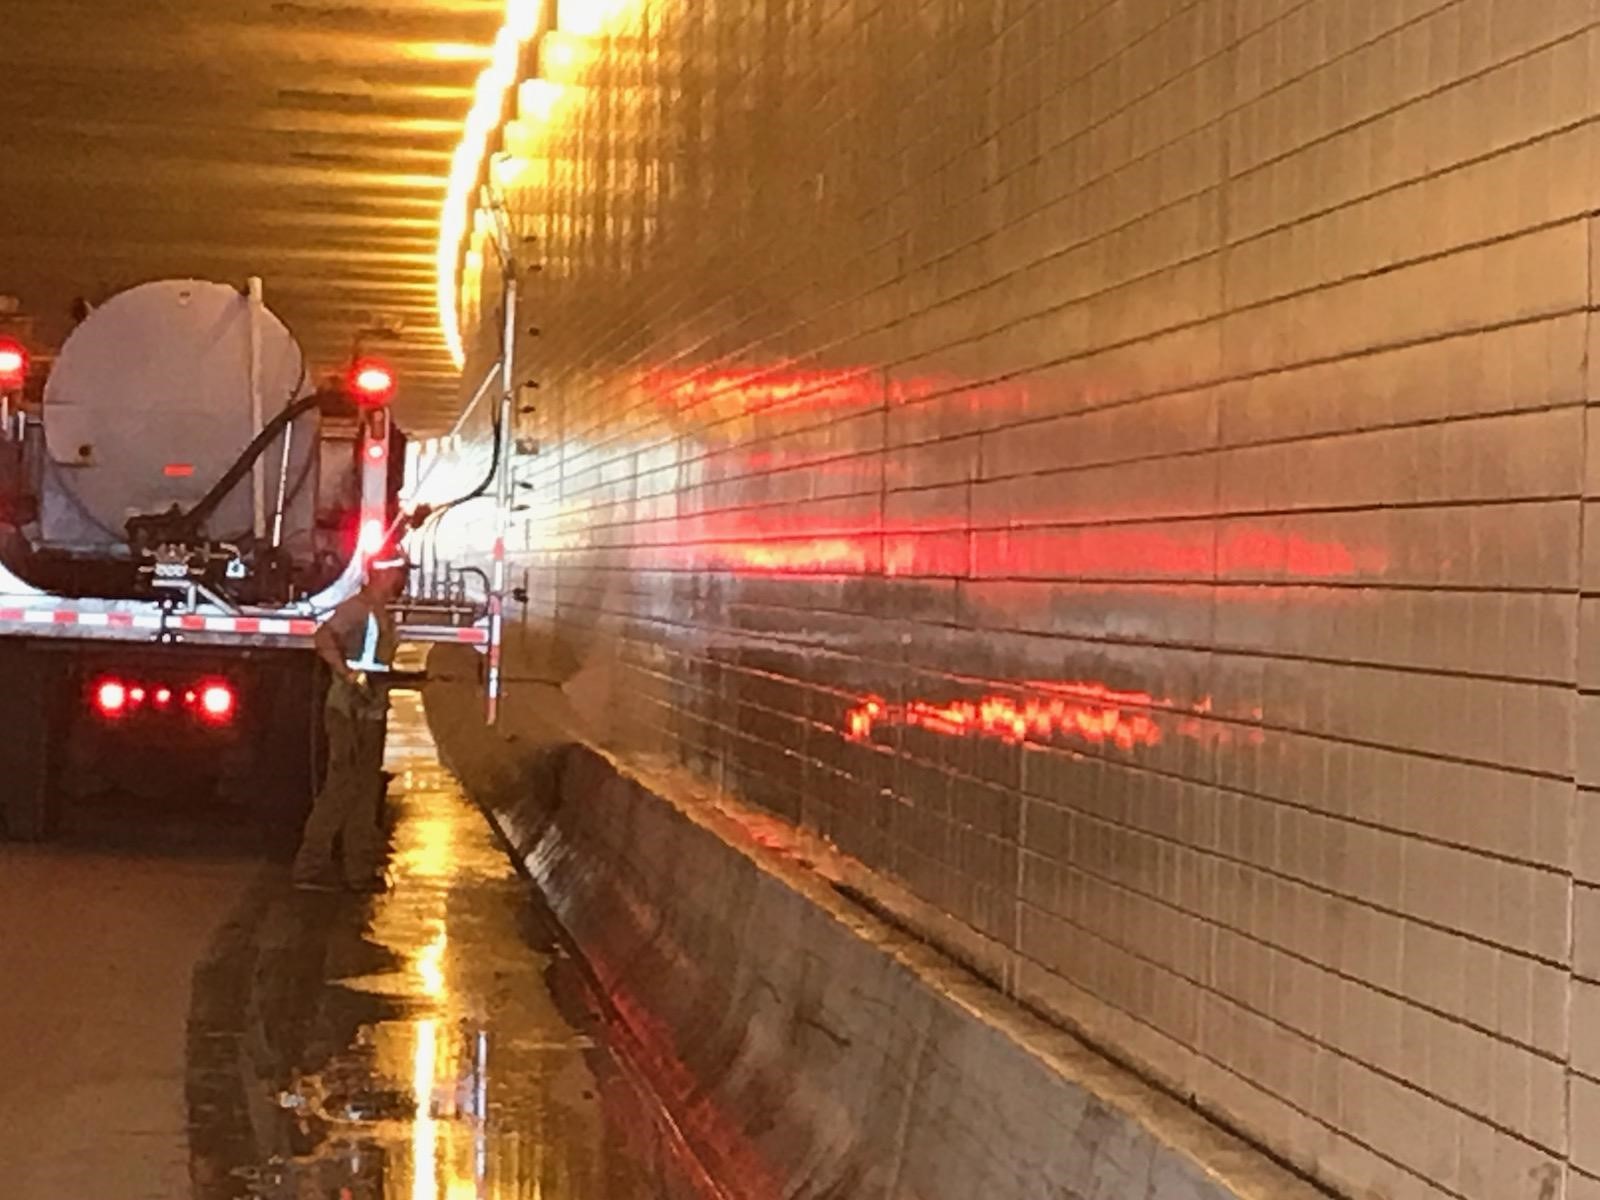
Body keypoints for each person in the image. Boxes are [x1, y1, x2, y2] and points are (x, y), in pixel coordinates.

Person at [290, 555, 408, 891]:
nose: (400, 579)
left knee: (365, 790)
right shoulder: (356, 608)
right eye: (397, 572)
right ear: (380, 574)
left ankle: (358, 871)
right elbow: (323, 638)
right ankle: (310, 868)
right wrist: (346, 673)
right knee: (341, 787)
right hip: (348, 711)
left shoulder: (380, 610)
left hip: (370, 711)